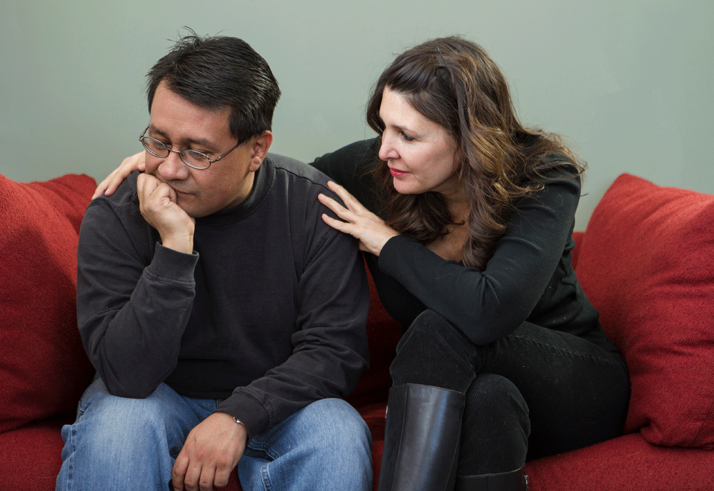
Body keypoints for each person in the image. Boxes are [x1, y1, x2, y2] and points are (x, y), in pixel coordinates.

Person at [98, 35, 630, 491]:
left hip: (575, 382)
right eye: (384, 129)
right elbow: (261, 180)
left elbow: (490, 312)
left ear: (470, 141)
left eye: (409, 136)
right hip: (487, 392)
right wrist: (167, 160)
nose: (385, 150)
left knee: (435, 331)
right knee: (488, 401)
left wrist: (387, 241)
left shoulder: (543, 176)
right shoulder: (379, 171)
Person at [60, 32, 373, 491]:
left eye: (197, 152)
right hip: (152, 398)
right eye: (159, 140)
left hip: (277, 408)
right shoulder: (118, 210)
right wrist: (174, 244)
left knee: (337, 430)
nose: (169, 168)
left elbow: (335, 351)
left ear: (257, 150)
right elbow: (126, 375)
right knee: (117, 425)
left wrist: (238, 415)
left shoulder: (312, 207)